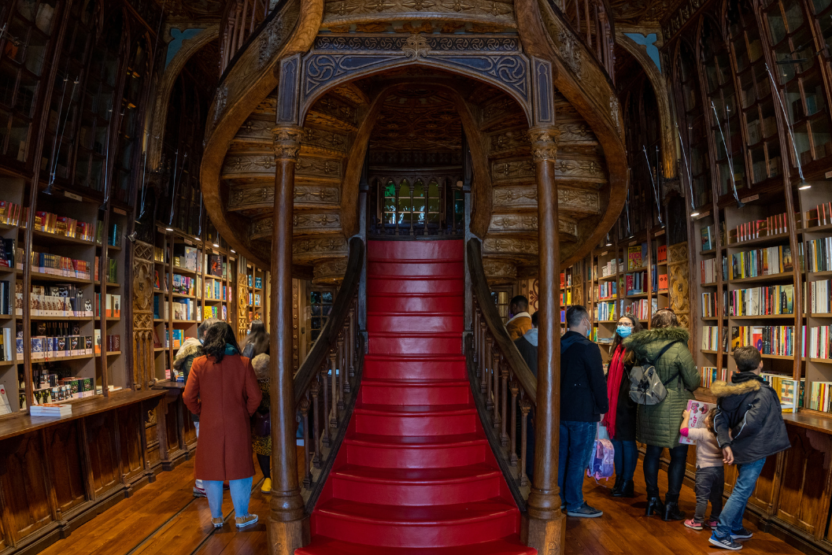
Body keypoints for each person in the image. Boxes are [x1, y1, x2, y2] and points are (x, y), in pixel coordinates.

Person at [709, 346, 790, 551]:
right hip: (753, 448)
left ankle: (735, 526)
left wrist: (726, 442)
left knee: (744, 488)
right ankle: (721, 533)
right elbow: (750, 424)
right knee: (742, 490)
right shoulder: (761, 392)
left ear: (737, 366)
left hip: (737, 448)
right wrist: (731, 439)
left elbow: (719, 417)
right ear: (760, 364)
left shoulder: (728, 389)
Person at [183, 322, 262, 530]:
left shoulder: (199, 363)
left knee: (211, 469)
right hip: (238, 422)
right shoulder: (244, 363)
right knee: (240, 469)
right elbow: (256, 396)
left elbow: (188, 397)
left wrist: (202, 411)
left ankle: (217, 517)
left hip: (209, 423)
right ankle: (241, 516)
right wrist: (245, 413)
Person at [623, 308, 699, 521]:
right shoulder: (678, 347)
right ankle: (671, 504)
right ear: (674, 324)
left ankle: (652, 500)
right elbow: (693, 382)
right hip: (674, 407)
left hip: (648, 404)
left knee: (652, 453)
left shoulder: (641, 346)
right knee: (678, 456)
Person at [559, 305, 608, 518]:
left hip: (560, 411)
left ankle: (560, 499)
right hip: (583, 412)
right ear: (585, 321)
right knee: (578, 458)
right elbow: (598, 381)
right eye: (589, 321)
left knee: (561, 457)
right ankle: (575, 503)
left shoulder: (558, 345)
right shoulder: (588, 347)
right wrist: (603, 408)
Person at [173, 317, 220, 498]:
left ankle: (209, 482)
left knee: (209, 447)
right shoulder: (195, 355)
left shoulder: (202, 352)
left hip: (207, 409)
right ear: (207, 334)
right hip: (203, 410)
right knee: (205, 448)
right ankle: (201, 484)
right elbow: (196, 387)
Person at [602, 315, 642, 498]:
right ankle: (619, 479)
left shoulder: (637, 350)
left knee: (627, 442)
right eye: (620, 324)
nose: (622, 326)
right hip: (615, 404)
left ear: (635, 328)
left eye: (627, 324)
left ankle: (628, 480)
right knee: (616, 442)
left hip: (629, 404)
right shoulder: (617, 349)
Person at [680, 407, 723, 531]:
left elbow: (684, 431)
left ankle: (698, 521)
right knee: (716, 496)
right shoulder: (725, 433)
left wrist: (687, 417)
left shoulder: (703, 432)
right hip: (719, 469)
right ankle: (715, 520)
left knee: (702, 497)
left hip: (704, 469)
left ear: (710, 422)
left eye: (708, 415)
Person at [251, 353, 272, 494]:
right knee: (262, 447)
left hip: (268, 419)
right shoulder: (273, 380)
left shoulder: (255, 381)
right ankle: (268, 478)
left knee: (265, 448)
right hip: (262, 420)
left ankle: (268, 478)